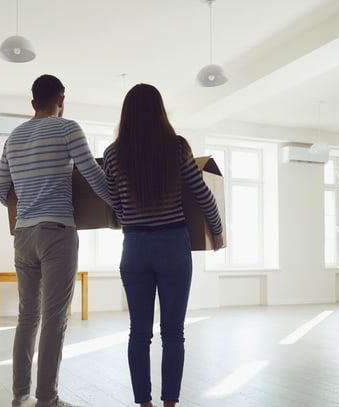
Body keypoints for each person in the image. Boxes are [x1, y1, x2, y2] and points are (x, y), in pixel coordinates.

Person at [0, 74, 112, 407]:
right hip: (57, 232)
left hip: (23, 235)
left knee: (26, 317)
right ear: (62, 100)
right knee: (55, 318)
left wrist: (27, 200)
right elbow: (93, 175)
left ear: (33, 103)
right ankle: (47, 399)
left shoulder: (14, 136)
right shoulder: (67, 128)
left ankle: (18, 397)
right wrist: (118, 207)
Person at [103, 83, 223, 407]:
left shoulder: (113, 154)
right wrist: (218, 232)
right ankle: (170, 403)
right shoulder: (177, 147)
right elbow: (203, 194)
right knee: (173, 333)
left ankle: (144, 404)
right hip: (173, 246)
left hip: (135, 248)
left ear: (126, 113)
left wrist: (124, 217)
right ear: (160, 111)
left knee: (138, 334)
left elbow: (114, 206)